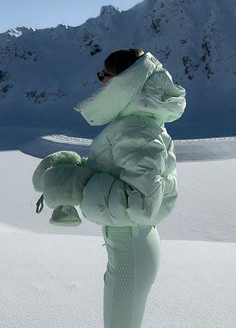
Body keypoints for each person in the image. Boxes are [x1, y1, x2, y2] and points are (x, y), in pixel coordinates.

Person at [73, 48, 186, 328]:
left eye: (105, 76)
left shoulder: (136, 128)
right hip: (130, 245)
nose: (100, 82)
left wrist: (81, 185)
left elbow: (141, 204)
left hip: (131, 248)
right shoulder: (136, 123)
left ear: (126, 81)